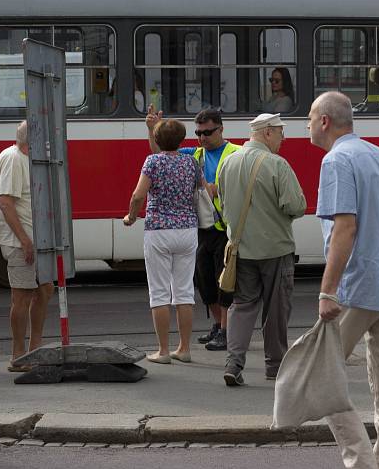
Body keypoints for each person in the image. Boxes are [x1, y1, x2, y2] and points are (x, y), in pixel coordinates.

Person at [309, 92, 379, 469]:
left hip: (358, 284)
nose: (306, 125)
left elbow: (345, 227)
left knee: (322, 377)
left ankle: (361, 463)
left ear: (324, 121)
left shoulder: (335, 160)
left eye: (309, 117)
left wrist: (327, 290)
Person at [217, 112, 306, 386]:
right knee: (276, 311)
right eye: (281, 133)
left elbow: (222, 202)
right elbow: (296, 206)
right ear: (267, 132)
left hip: (241, 250)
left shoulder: (227, 163)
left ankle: (234, 363)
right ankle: (275, 367)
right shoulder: (277, 164)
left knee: (242, 306)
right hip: (275, 250)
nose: (283, 139)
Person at [146, 106, 241, 352]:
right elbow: (162, 155)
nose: (202, 138)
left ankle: (226, 331)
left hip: (224, 227)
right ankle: (218, 325)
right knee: (205, 281)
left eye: (207, 133)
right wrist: (152, 129)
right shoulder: (193, 155)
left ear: (221, 129)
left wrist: (217, 188)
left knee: (226, 283)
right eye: (198, 133)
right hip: (200, 227)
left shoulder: (235, 153)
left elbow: (241, 184)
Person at [125, 118, 198, 364]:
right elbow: (202, 189)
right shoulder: (191, 161)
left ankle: (163, 351)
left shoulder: (152, 162)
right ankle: (185, 348)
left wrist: (131, 216)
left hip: (159, 229)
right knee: (184, 291)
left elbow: (138, 195)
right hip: (188, 229)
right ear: (182, 139)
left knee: (159, 293)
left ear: (157, 141)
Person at [0, 121, 55, 372]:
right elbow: (6, 204)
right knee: (22, 296)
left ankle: (34, 348)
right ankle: (18, 355)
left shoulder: (22, 158)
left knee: (45, 289)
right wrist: (25, 240)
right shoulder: (14, 159)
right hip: (20, 242)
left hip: (33, 240)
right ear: (33, 142)